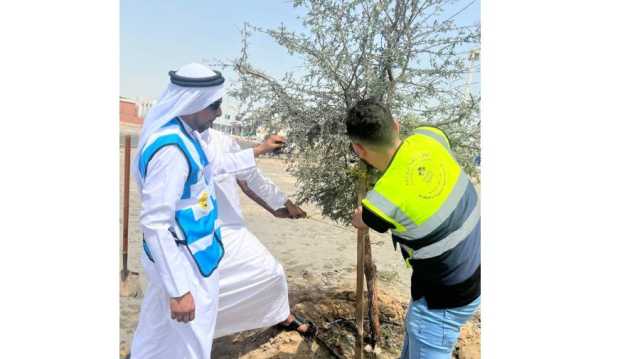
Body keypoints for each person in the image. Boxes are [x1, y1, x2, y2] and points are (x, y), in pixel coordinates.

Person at [129, 63, 283, 359]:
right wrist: (179, 291)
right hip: (181, 263)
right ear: (195, 103)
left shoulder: (185, 135)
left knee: (157, 335)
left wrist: (259, 151)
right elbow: (155, 223)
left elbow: (214, 164)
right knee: (191, 344)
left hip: (188, 255)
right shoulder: (171, 151)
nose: (219, 114)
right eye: (215, 106)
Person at [346, 98, 480, 359]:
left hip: (443, 301)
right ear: (396, 126)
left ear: (358, 149)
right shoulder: (429, 137)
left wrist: (360, 214)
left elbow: (360, 220)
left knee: (425, 333)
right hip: (474, 269)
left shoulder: (381, 202)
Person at [199, 127, 317, 339]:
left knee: (271, 273)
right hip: (193, 232)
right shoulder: (175, 141)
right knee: (196, 294)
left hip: (230, 229)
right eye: (214, 105)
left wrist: (281, 205)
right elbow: (213, 166)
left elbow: (248, 178)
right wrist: (259, 149)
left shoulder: (223, 140)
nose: (219, 111)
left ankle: (281, 316)